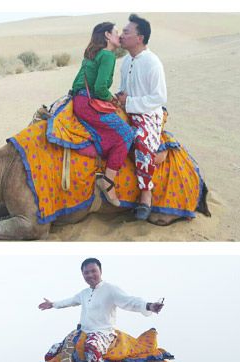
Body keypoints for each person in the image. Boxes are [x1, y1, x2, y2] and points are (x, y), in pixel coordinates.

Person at [38, 258, 163, 362]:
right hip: (83, 331)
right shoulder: (84, 293)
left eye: (93, 271)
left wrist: (149, 305)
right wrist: (53, 304)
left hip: (103, 333)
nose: (90, 275)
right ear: (83, 275)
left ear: (100, 271)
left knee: (91, 348)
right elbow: (70, 301)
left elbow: (130, 301)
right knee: (53, 351)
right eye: (86, 273)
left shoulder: (110, 290)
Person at [70, 22, 135, 207]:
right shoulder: (107, 55)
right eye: (116, 32)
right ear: (107, 35)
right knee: (127, 133)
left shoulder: (94, 53)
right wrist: (114, 101)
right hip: (88, 104)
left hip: (79, 100)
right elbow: (99, 89)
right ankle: (107, 181)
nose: (119, 36)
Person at [116, 14, 168, 221]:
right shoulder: (126, 60)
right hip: (126, 108)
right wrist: (119, 98)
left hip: (147, 113)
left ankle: (146, 192)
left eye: (126, 32)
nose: (122, 35)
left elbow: (159, 97)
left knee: (141, 140)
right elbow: (123, 88)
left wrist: (130, 102)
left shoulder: (152, 62)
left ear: (140, 38)